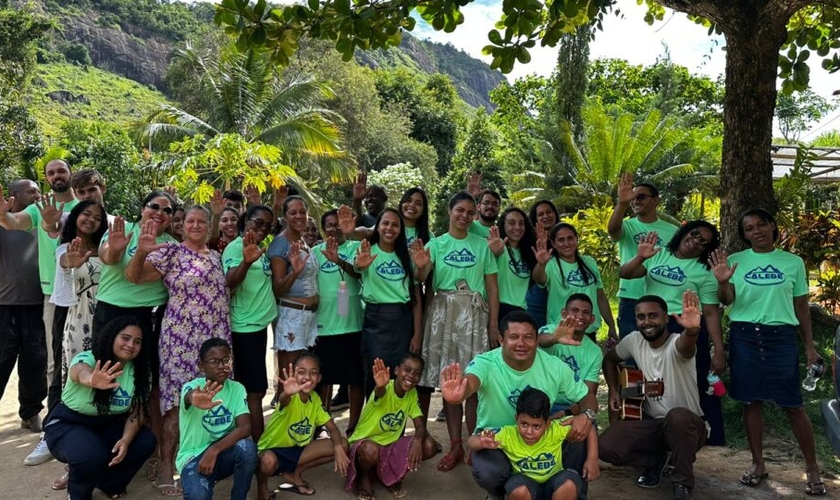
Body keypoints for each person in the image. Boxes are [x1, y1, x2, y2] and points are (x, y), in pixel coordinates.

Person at [709, 208, 826, 496]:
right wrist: (723, 281)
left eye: (761, 224)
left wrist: (809, 347)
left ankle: (811, 467)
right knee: (751, 403)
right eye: (749, 228)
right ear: (744, 235)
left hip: (781, 338)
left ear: (772, 226)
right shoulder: (735, 261)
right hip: (744, 336)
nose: (756, 231)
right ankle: (758, 464)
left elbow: (801, 306)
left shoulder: (794, 263)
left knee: (793, 405)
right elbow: (727, 300)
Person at [126, 204, 231, 496]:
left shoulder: (216, 256)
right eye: (190, 221)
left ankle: (200, 461)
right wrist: (141, 252)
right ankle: (164, 464)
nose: (196, 225)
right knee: (175, 403)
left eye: (201, 221)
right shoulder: (170, 252)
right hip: (180, 341)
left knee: (212, 398)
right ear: (181, 225)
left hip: (216, 339)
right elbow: (135, 276)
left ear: (209, 227)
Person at [440, 310, 597, 499]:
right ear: (501, 340)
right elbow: (471, 381)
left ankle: (570, 493)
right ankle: (501, 494)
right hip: (497, 441)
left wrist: (587, 416)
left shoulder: (553, 366)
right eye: (513, 337)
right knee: (488, 470)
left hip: (541, 441)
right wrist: (459, 394)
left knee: (583, 428)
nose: (521, 344)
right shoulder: (486, 362)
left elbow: (586, 397)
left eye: (528, 337)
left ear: (537, 340)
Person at [411, 191, 500, 472]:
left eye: (470, 212)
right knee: (451, 382)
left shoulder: (482, 245)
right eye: (459, 210)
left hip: (474, 313)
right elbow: (422, 280)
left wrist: (494, 324)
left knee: (473, 382)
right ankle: (455, 445)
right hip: (443, 313)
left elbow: (493, 288)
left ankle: (474, 442)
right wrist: (422, 266)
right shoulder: (436, 245)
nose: (464, 216)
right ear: (449, 211)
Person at [619, 221, 726, 445]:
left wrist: (718, 349)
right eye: (694, 233)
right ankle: (646, 429)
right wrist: (641, 257)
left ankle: (701, 433)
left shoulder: (703, 272)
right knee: (645, 379)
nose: (696, 241)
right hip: (652, 325)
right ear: (684, 232)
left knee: (691, 381)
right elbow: (626, 274)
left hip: (686, 327)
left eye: (703, 241)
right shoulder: (660, 254)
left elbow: (711, 313)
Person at [599, 292, 707, 500]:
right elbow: (610, 360)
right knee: (605, 446)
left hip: (688, 429)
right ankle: (655, 461)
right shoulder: (634, 340)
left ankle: (683, 483)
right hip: (651, 426)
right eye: (641, 317)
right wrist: (614, 389)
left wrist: (692, 331)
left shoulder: (677, 345)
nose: (647, 322)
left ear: (666, 319)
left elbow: (686, 346)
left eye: (653, 316)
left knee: (678, 417)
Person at [43, 316, 156, 500]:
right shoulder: (88, 358)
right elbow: (78, 371)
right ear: (112, 336)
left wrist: (126, 440)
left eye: (137, 341)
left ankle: (110, 484)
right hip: (70, 423)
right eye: (125, 338)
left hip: (109, 424)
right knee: (89, 455)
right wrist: (92, 379)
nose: (131, 345)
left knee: (145, 441)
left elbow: (137, 411)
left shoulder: (141, 372)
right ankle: (79, 492)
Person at [0, 160, 78, 423]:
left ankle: (35, 411)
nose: (56, 176)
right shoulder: (33, 213)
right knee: (17, 359)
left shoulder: (73, 209)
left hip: (62, 295)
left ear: (70, 175)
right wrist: (3, 216)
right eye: (51, 172)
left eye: (61, 171)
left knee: (45, 359)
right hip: (25, 300)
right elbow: (12, 222)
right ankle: (50, 415)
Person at [467, 387, 599, 500]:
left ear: (547, 424)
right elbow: (471, 441)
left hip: (554, 485)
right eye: (524, 424)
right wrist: (482, 442)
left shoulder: (555, 428)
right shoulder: (508, 434)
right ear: (516, 419)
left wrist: (592, 458)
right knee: (518, 489)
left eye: (536, 426)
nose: (529, 432)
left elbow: (588, 426)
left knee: (569, 483)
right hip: (525, 487)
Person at [257, 353, 349, 499]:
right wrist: (286, 393)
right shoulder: (290, 396)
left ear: (318, 378)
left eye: (313, 373)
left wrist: (337, 447)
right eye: (301, 372)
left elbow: (332, 427)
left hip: (297, 450)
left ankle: (295, 472)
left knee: (343, 444)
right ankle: (261, 487)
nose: (307, 377)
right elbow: (283, 400)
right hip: (273, 451)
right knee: (267, 461)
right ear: (294, 373)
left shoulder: (315, 399)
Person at [346, 355, 437, 500]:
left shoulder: (411, 393)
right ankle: (363, 477)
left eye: (417, 373)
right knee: (371, 451)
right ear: (396, 370)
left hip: (389, 446)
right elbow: (379, 392)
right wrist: (380, 386)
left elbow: (420, 426)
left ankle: (383, 473)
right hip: (365, 445)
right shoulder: (385, 387)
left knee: (429, 445)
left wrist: (417, 441)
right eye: (407, 370)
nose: (411, 376)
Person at [177, 338, 257, 500]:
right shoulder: (193, 387)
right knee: (198, 496)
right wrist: (193, 398)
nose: (221, 366)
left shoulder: (237, 388)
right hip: (193, 457)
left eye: (226, 360)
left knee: (247, 448)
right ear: (201, 366)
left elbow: (245, 427)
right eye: (214, 361)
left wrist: (214, 450)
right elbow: (189, 396)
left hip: (222, 453)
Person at [223, 205, 277, 442]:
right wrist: (245, 262)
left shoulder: (261, 247)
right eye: (258, 222)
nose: (263, 228)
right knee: (253, 393)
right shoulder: (236, 248)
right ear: (246, 221)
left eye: (268, 225)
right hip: (244, 328)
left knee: (258, 389)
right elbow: (229, 281)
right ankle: (258, 447)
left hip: (258, 326)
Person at [354, 208, 423, 396]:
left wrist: (417, 335)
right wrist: (359, 265)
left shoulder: (408, 256)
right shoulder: (367, 251)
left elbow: (417, 299)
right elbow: (357, 267)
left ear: (401, 229)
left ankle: (396, 424)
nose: (389, 228)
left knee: (401, 375)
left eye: (395, 224)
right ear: (377, 227)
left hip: (403, 320)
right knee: (376, 374)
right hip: (375, 320)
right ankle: (372, 422)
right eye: (385, 223)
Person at [0, 180, 46, 439]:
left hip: (36, 304)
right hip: (4, 306)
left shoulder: (42, 222)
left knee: (35, 362)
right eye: (32, 192)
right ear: (14, 197)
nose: (38, 196)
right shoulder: (3, 223)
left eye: (39, 191)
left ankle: (30, 412)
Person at [312, 209, 365, 433]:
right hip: (324, 325)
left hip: (353, 323)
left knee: (355, 379)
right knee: (324, 379)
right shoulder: (315, 251)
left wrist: (339, 261)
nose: (333, 229)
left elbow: (359, 273)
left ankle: (353, 425)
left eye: (337, 224)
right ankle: (324, 424)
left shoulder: (356, 247)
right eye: (329, 225)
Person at [607, 174, 677, 338]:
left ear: (656, 201)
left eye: (641, 197)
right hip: (631, 296)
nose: (635, 201)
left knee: (662, 353)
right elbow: (612, 229)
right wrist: (622, 203)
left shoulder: (673, 231)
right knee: (631, 355)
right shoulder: (627, 226)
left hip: (662, 298)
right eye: (633, 198)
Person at [533, 222, 617, 345]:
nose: (566, 243)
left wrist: (611, 325)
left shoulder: (589, 262)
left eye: (570, 238)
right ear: (553, 244)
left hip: (588, 330)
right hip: (561, 333)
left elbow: (600, 297)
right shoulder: (551, 264)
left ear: (577, 239)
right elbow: (539, 279)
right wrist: (541, 264)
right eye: (561, 240)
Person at [53, 201, 107, 382]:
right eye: (87, 214)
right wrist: (68, 262)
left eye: (98, 218)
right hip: (79, 318)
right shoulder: (65, 248)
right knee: (79, 370)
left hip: (107, 316)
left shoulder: (105, 249)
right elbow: (63, 261)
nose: (91, 219)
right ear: (76, 216)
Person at [268, 195, 320, 373]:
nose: (298, 216)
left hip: (310, 316)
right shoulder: (280, 244)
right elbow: (278, 289)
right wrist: (295, 274)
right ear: (285, 217)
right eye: (293, 212)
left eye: (302, 212)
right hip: (292, 316)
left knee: (304, 375)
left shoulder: (302, 241)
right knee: (290, 375)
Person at [539, 294, 603, 416]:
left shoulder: (595, 352)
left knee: (588, 425)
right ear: (564, 313)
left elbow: (589, 395)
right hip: (540, 403)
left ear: (592, 319)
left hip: (571, 407)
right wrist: (555, 338)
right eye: (575, 310)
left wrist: (568, 412)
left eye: (585, 312)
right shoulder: (550, 330)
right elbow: (540, 341)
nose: (580, 316)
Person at [489, 207, 537, 327]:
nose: (517, 227)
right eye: (511, 223)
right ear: (503, 225)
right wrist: (494, 253)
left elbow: (539, 280)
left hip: (521, 311)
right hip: (497, 309)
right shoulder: (498, 245)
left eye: (521, 223)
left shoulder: (527, 253)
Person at [526, 200, 560, 329]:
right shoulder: (528, 238)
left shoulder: (564, 235)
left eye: (549, 212)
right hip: (538, 293)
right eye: (541, 214)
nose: (545, 216)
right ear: (535, 219)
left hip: (561, 290)